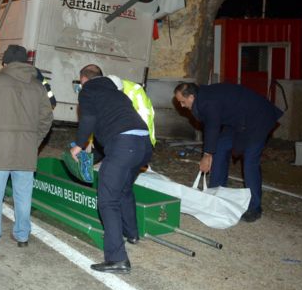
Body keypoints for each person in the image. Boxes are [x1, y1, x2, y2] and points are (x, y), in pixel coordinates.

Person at [70, 64, 151, 274]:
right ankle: (131, 234)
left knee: (107, 200)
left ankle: (117, 259)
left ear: (83, 80)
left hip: (124, 145)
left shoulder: (88, 90)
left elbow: (88, 119)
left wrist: (78, 146)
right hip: (144, 144)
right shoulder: (115, 93)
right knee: (123, 189)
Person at [0, 45, 53, 250]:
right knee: (23, 194)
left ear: (6, 63)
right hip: (26, 149)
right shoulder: (38, 86)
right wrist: (33, 141)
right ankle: (22, 236)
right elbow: (46, 119)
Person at [174, 82, 283, 222]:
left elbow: (212, 127)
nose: (182, 106)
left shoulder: (208, 101)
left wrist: (207, 154)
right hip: (239, 119)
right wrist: (210, 152)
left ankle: (254, 208)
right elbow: (211, 125)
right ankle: (216, 193)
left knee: (250, 161)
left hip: (258, 118)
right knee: (219, 147)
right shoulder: (203, 98)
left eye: (182, 102)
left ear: (191, 97)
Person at [107, 75, 155, 146]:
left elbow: (145, 117)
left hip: (137, 135)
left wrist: (147, 140)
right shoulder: (104, 90)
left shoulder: (135, 91)